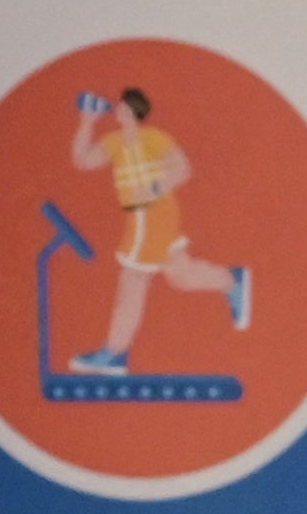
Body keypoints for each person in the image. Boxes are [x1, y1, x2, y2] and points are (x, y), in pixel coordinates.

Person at [64, 84, 249, 375]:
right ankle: (230, 281)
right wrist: (86, 122)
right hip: (137, 219)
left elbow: (182, 168)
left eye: (124, 107)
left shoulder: (154, 138)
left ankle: (114, 352)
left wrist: (151, 190)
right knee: (180, 275)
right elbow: (83, 160)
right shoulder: (114, 142)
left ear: (134, 111)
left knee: (133, 280)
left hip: (155, 216)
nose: (119, 111)